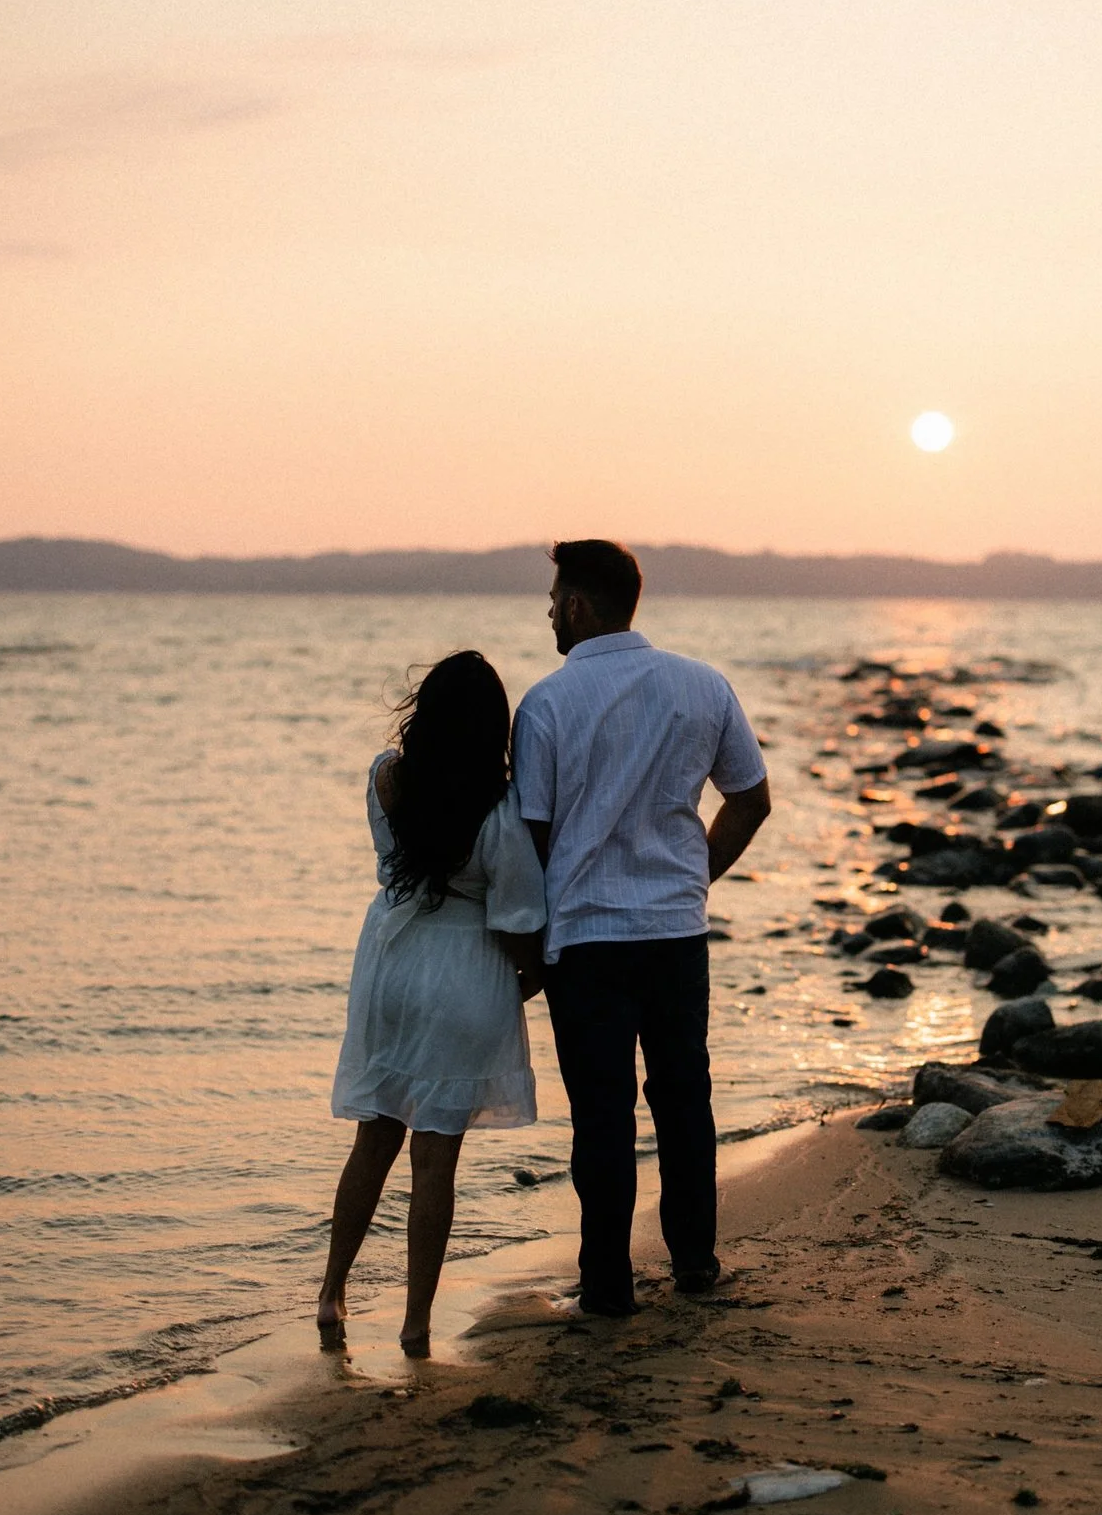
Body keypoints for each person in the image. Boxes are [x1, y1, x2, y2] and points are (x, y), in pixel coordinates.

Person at [513, 539, 770, 1316]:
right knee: (684, 1097)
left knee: (602, 1117)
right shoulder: (702, 684)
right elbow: (750, 797)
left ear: (581, 605)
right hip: (673, 930)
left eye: (555, 598)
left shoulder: (547, 704)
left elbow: (533, 839)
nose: (548, 611)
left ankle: (608, 1282)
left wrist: (524, 949)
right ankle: (694, 1260)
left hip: (587, 936)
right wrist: (696, 875)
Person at [321, 650, 547, 1358]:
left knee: (375, 1135)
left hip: (390, 965)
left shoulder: (387, 778)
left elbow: (393, 869)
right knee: (435, 1159)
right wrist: (529, 981)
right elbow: (516, 917)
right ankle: (416, 1321)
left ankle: (331, 1292)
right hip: (462, 971)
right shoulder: (499, 809)